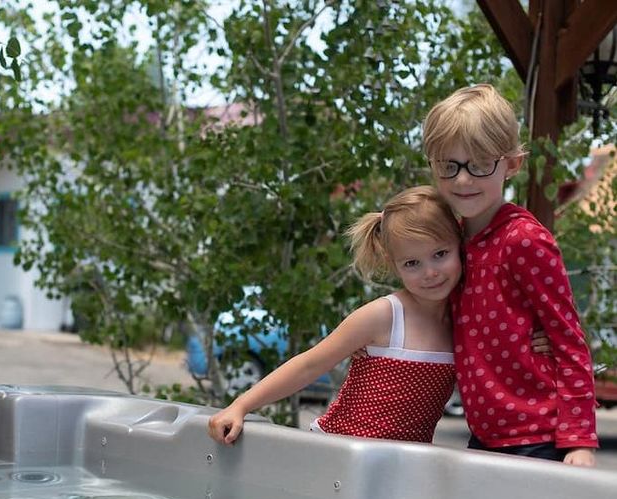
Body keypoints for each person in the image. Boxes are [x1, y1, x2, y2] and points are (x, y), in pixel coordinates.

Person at [422, 83, 598, 466]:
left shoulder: (524, 240)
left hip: (539, 435)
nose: (463, 180)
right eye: (449, 166)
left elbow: (568, 341)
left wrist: (578, 440)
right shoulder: (450, 244)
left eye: (480, 164)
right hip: (485, 434)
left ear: (512, 164)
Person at [208, 186, 463, 445]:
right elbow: (309, 365)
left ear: (461, 243)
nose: (430, 273)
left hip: (405, 461)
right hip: (340, 450)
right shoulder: (384, 315)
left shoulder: (465, 320)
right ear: (392, 263)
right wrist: (240, 406)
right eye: (412, 263)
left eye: (440, 254)